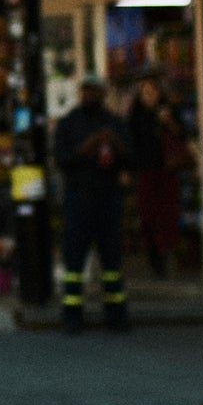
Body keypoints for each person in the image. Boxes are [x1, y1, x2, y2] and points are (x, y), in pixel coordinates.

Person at [52, 73, 133, 332]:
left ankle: (116, 316)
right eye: (85, 90)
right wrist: (87, 147)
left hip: (108, 196)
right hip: (79, 197)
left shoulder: (114, 123)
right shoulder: (69, 123)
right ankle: (72, 317)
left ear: (102, 93)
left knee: (112, 261)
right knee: (74, 262)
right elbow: (62, 159)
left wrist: (115, 143)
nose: (89, 94)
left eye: (94, 90)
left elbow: (131, 158)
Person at [128, 76, 188, 277]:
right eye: (146, 92)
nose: (150, 97)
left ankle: (166, 253)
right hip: (146, 171)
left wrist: (169, 121)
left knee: (167, 214)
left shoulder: (168, 112)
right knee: (148, 215)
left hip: (167, 171)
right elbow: (132, 143)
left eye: (153, 92)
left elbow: (183, 135)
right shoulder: (137, 116)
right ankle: (154, 255)